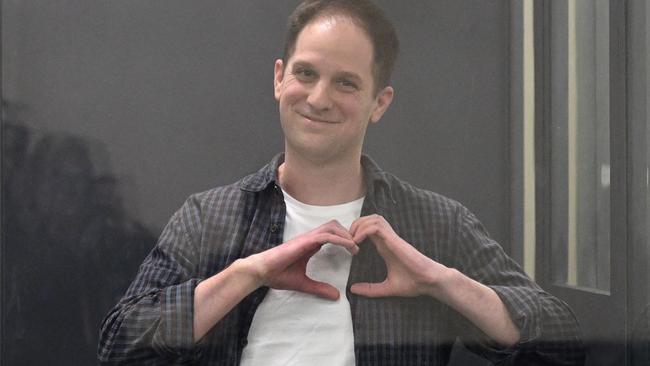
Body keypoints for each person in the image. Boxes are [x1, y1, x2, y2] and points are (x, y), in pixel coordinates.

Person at [98, 1, 585, 365]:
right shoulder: (210, 217)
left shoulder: (437, 224)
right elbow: (121, 347)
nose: (318, 97)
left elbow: (562, 345)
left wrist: (441, 282)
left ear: (380, 102)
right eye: (305, 74)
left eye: (346, 83)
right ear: (278, 78)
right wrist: (247, 275)